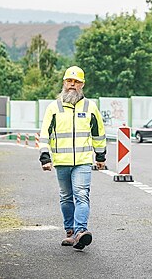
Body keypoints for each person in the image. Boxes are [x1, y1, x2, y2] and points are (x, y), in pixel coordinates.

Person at [38, 65, 106, 250]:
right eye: (69, 81)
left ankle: (80, 232)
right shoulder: (54, 107)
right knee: (66, 197)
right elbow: (45, 133)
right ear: (64, 83)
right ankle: (70, 232)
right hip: (61, 162)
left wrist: (100, 156)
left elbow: (98, 134)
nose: (72, 85)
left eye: (76, 82)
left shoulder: (90, 107)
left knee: (82, 194)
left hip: (83, 161)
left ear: (82, 85)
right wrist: (45, 157)